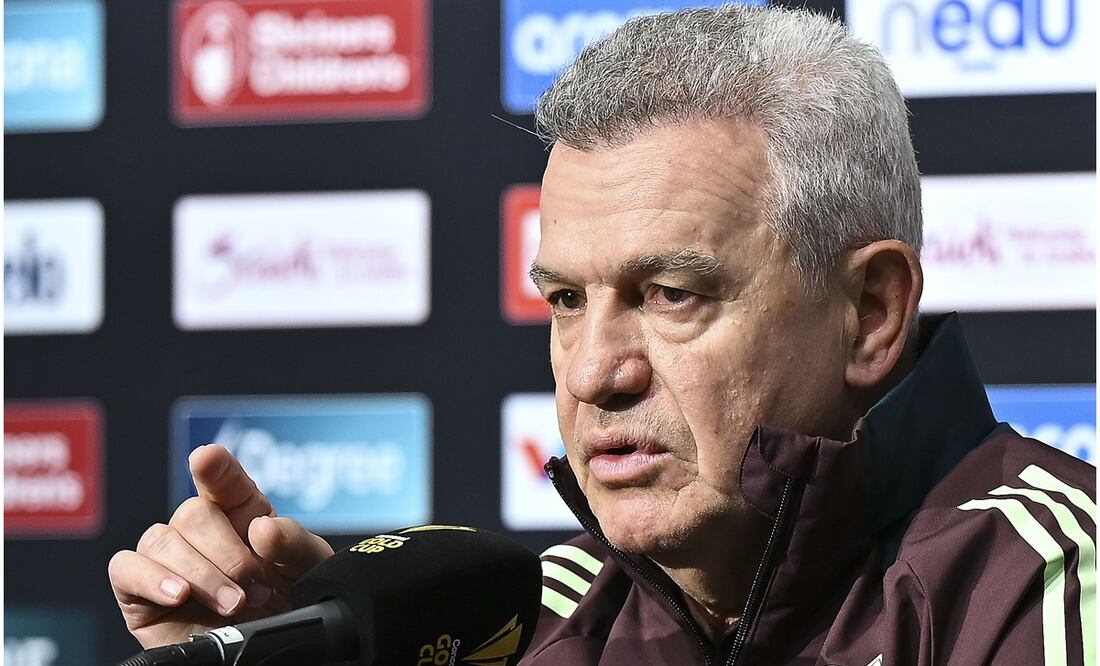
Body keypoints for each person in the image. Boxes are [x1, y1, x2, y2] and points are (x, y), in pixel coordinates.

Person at [109, 5, 1095, 665]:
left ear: (870, 313)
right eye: (565, 300)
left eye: (669, 293)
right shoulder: (522, 620)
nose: (590, 374)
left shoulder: (1052, 596)